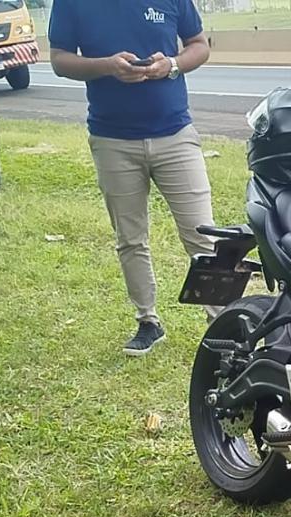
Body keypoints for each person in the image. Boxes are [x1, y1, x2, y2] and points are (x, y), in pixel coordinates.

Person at [47, 1, 216, 356]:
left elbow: (199, 44)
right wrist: (107, 66)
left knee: (203, 234)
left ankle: (222, 324)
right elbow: (60, 59)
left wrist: (171, 65)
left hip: (175, 134)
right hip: (112, 140)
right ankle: (148, 321)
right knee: (131, 238)